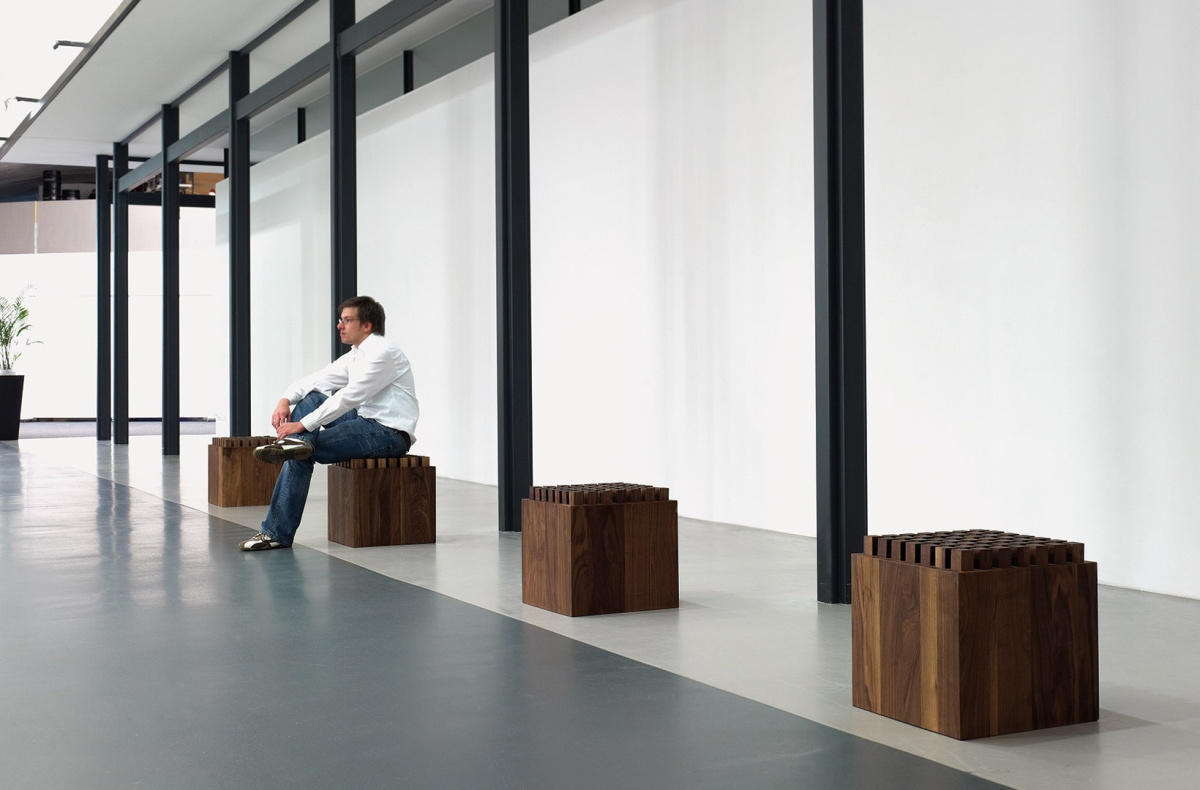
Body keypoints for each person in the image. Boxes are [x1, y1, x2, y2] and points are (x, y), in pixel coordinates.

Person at [238, 296, 419, 551]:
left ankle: (275, 532)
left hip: (388, 434)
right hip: (363, 423)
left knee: (302, 451)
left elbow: (349, 397)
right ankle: (296, 446)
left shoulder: (384, 352)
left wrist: (302, 425)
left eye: (347, 320)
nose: (339, 326)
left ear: (367, 325)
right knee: (311, 398)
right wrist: (284, 399)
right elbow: (317, 380)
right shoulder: (356, 355)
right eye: (340, 320)